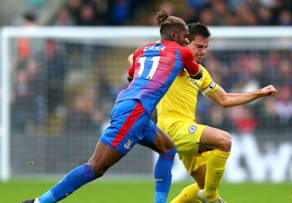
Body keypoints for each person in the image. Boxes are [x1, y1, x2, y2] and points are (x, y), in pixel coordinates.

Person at [23, 10, 202, 203]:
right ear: (174, 36)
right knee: (96, 167)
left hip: (130, 105)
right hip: (135, 112)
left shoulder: (142, 50)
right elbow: (197, 74)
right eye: (185, 37)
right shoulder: (182, 52)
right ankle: (40, 201)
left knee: (167, 149)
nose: (187, 42)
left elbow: (131, 76)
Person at [131, 23, 277, 203]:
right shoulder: (170, 61)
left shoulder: (199, 72)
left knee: (204, 184)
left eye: (206, 47)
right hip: (171, 127)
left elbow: (224, 99)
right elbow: (133, 57)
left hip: (185, 128)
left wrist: (259, 93)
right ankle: (211, 197)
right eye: (199, 46)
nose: (203, 51)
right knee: (224, 141)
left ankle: (207, 194)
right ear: (185, 44)